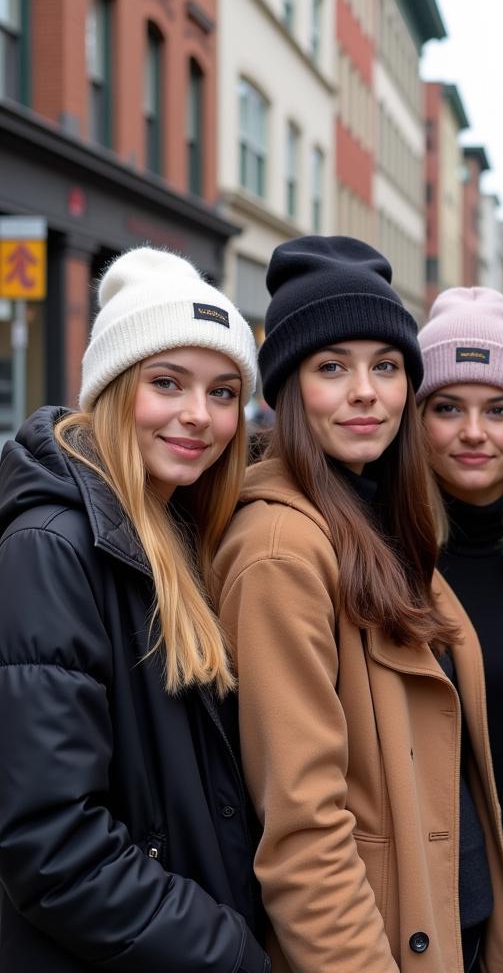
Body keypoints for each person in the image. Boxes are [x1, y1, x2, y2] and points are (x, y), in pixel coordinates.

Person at [212, 237, 503, 973]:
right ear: (286, 389)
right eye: (332, 368)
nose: (367, 391)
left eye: (386, 367)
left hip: (454, 929)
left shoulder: (384, 525)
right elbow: (303, 835)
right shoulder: (282, 552)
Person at [0, 248, 268, 972]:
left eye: (221, 392)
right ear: (114, 389)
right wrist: (234, 953)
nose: (198, 416)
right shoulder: (52, 547)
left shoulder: (178, 527)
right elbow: (52, 845)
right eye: (167, 383)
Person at [417, 286, 503, 969]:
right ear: (417, 421)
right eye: (448, 408)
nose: (474, 432)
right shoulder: (386, 559)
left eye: (498, 410)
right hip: (440, 915)